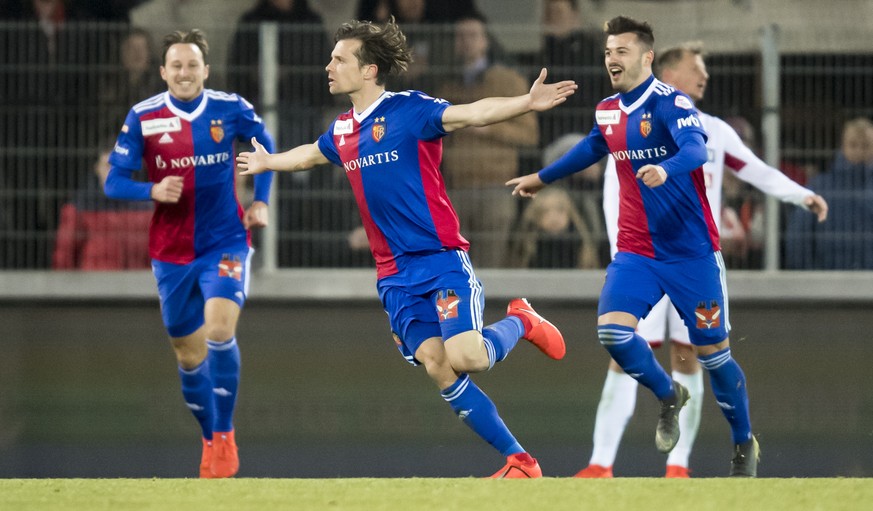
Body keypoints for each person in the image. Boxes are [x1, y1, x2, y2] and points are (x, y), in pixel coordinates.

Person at [237, 17, 575, 478]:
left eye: (340, 59)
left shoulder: (410, 110)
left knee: (467, 356)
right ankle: (521, 462)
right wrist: (268, 161)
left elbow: (472, 112)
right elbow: (312, 155)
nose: (329, 66)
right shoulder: (342, 131)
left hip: (439, 259)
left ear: (370, 70)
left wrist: (525, 103)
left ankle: (522, 320)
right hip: (393, 275)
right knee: (437, 364)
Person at [507, 16, 761, 477]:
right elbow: (590, 147)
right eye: (607, 52)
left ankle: (743, 442)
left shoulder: (671, 102)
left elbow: (696, 150)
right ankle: (668, 395)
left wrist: (666, 169)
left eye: (621, 51)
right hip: (637, 251)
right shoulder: (607, 110)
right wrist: (541, 179)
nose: (611, 60)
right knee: (612, 334)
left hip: (692, 255)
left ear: (646, 57)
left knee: (715, 357)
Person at [576, 41, 828, 478]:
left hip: (692, 261)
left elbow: (755, 169)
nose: (705, 77)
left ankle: (679, 466)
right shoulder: (632, 123)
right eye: (697, 69)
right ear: (669, 74)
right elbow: (613, 192)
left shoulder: (714, 129)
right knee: (623, 347)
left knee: (691, 354)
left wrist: (801, 195)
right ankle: (600, 463)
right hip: (644, 259)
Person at [104, 29, 275, 478]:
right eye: (176, 65)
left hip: (226, 241)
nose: (184, 72)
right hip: (171, 252)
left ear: (206, 70)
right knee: (187, 353)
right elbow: (113, 181)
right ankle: (208, 436)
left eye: (192, 64)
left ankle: (224, 438)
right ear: (163, 72)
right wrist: (151, 189)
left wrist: (261, 200)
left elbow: (267, 145)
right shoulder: (143, 116)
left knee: (219, 330)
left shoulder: (230, 108)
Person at [436, 12, 539, 268]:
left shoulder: (508, 81)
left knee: (491, 268)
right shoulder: (446, 87)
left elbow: (530, 135)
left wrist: (490, 129)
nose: (466, 42)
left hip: (496, 188)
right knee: (455, 268)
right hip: (456, 188)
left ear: (486, 41)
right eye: (460, 36)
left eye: (473, 35)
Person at [785, 117, 873, 269]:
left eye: (866, 146)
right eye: (853, 145)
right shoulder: (819, 187)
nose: (859, 151)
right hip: (826, 284)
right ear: (842, 147)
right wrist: (809, 279)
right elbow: (798, 237)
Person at [53, 145, 152, 270]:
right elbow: (64, 256)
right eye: (108, 166)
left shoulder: (148, 210)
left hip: (137, 285)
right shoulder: (79, 208)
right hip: (94, 286)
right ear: (97, 168)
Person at [509, 186, 600, 269]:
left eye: (560, 210)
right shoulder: (528, 244)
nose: (554, 218)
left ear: (570, 214)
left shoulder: (580, 242)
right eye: (546, 211)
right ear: (536, 216)